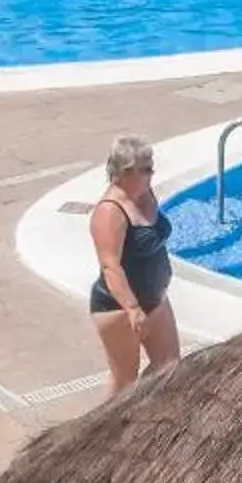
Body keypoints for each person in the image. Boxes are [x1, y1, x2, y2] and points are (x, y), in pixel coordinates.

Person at [87, 134, 179, 399]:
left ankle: (138, 415)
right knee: (124, 380)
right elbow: (110, 266)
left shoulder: (146, 194)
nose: (152, 173)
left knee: (169, 365)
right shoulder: (110, 211)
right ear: (126, 172)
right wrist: (133, 309)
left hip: (156, 299)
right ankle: (101, 433)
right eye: (146, 169)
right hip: (119, 308)